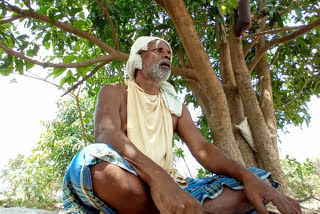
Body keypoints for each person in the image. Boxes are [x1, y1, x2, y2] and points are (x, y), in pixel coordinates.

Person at [62, 36, 301, 214]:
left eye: (169, 53)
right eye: (158, 50)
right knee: (91, 160)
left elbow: (203, 149)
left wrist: (248, 178)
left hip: (176, 188)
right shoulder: (114, 92)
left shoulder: (175, 106)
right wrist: (158, 179)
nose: (167, 55)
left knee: (261, 178)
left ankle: (181, 208)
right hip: (137, 182)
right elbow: (106, 133)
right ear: (137, 59)